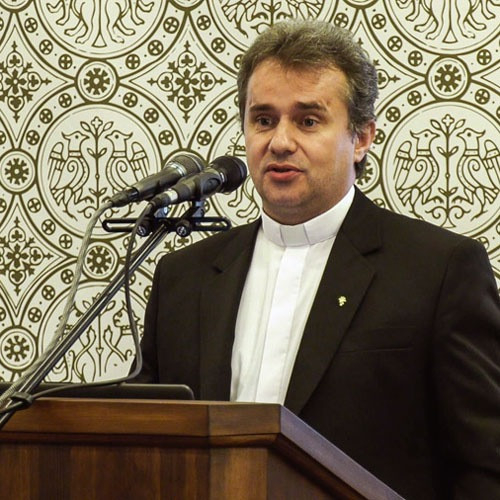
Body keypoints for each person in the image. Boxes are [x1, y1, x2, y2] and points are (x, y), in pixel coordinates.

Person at [135, 20, 500, 499]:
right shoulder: (183, 277)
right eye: (263, 120)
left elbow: (485, 466)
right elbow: (148, 447)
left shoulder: (439, 269)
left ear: (361, 137)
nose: (280, 142)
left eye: (308, 121)